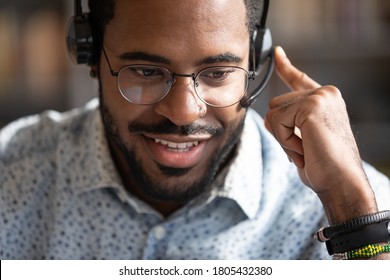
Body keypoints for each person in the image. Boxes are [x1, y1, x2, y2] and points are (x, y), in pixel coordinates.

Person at [0, 0, 389, 260]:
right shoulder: (11, 174)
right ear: (88, 56)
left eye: (218, 73)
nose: (185, 113)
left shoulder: (358, 208)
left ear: (255, 59)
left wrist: (352, 213)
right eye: (147, 71)